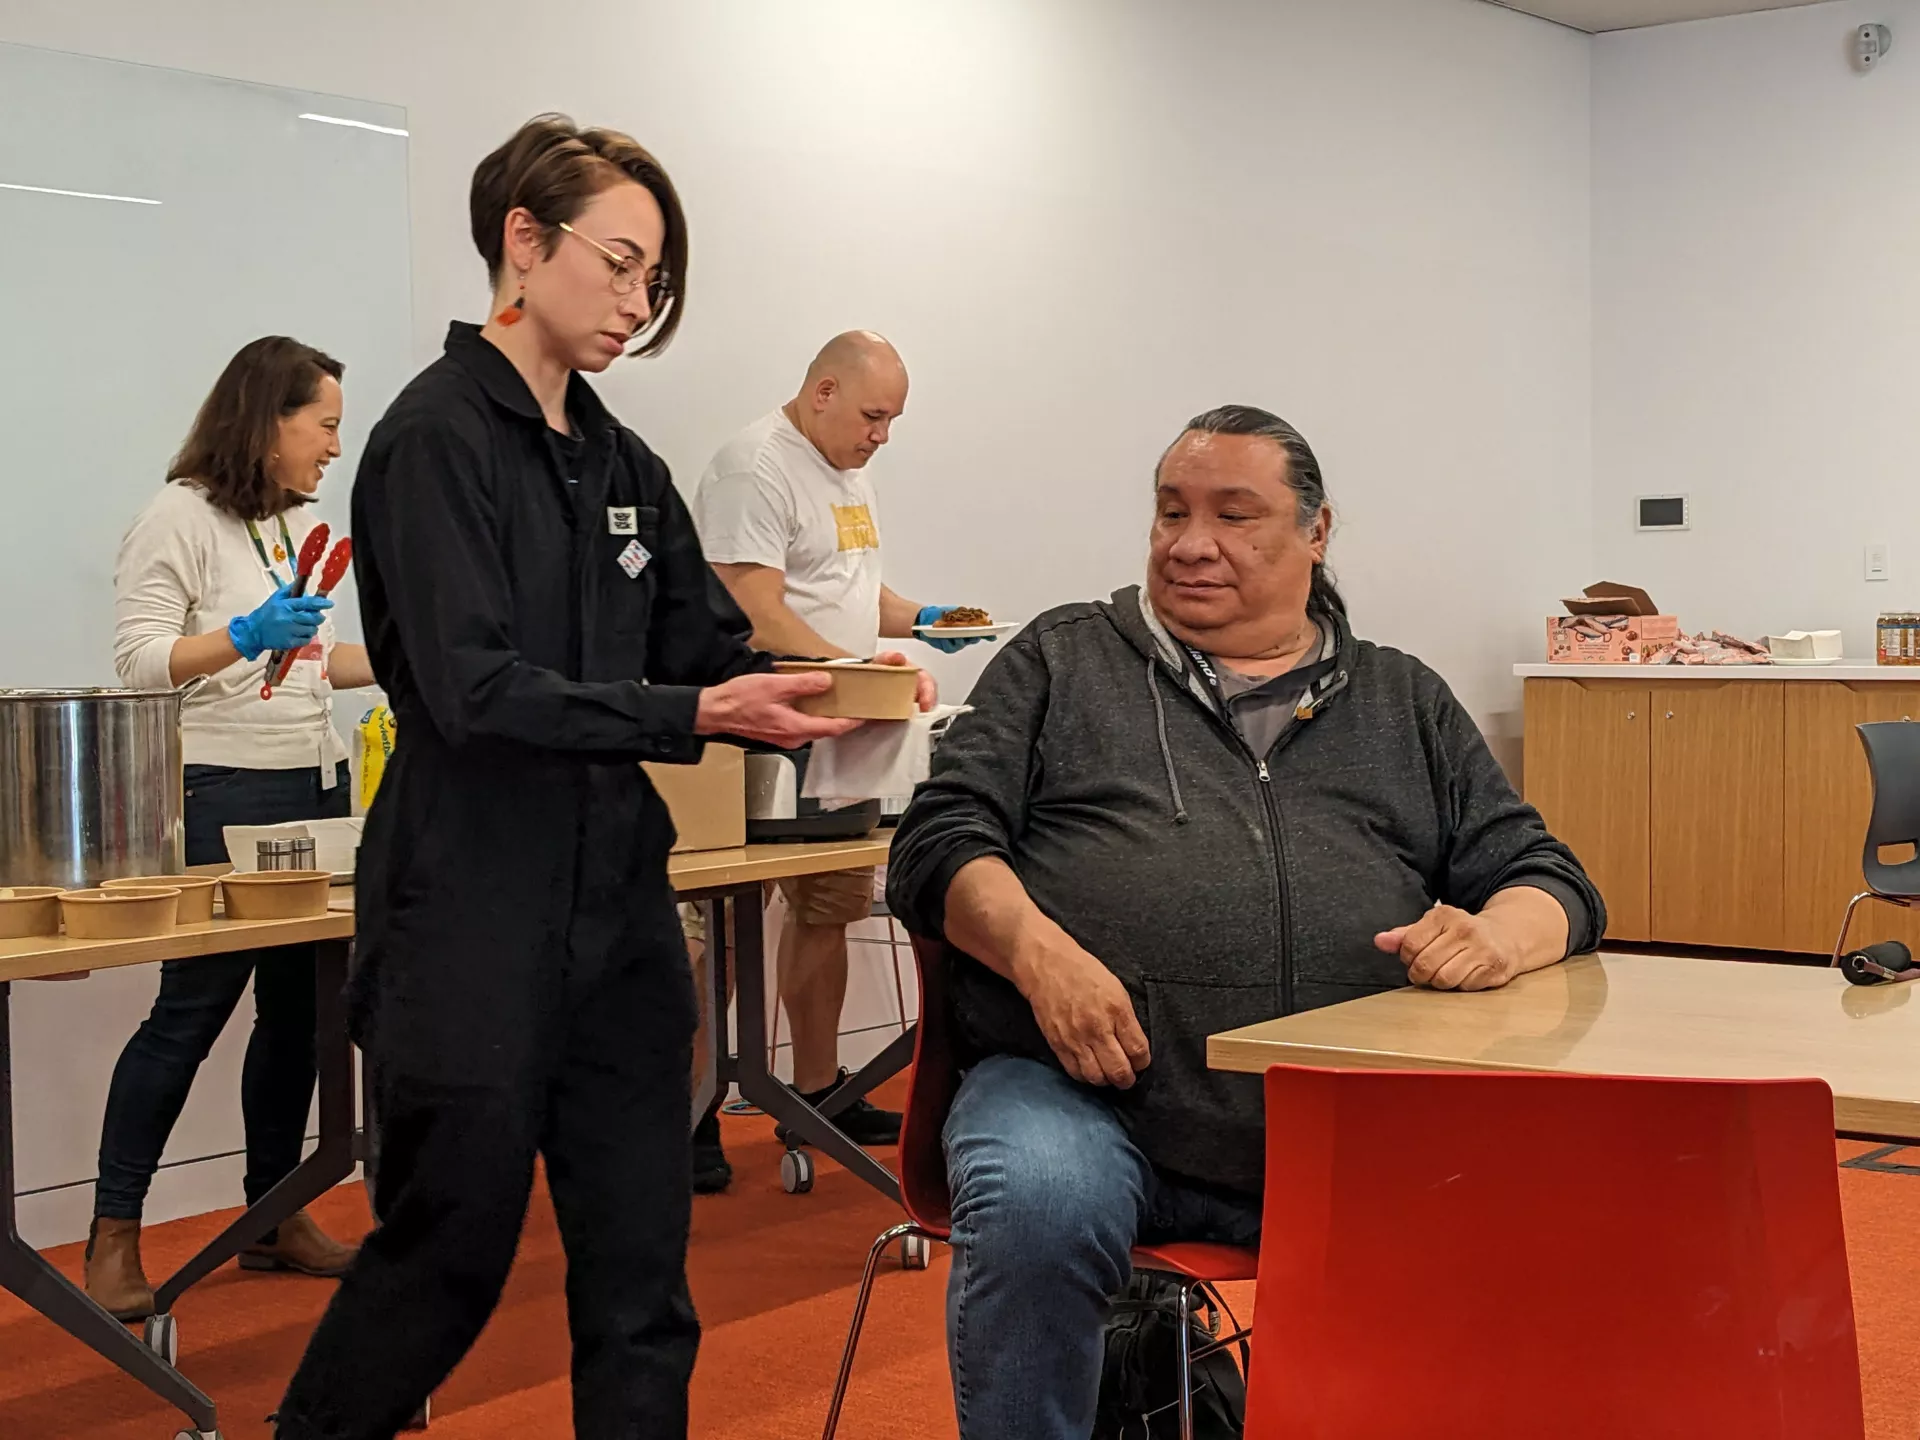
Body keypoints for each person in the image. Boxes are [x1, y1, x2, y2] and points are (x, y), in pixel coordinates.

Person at [271, 116, 928, 1440]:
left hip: (617, 910)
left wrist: (855, 688)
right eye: (620, 267)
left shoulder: (621, 462)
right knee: (443, 1264)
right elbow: (473, 691)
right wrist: (697, 705)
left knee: (642, 1282)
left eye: (655, 281)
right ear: (524, 240)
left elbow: (707, 644)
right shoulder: (429, 440)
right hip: (466, 908)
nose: (637, 305)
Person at [885, 404, 1606, 1440]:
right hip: (1084, 1097)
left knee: (1550, 1212)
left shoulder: (1402, 700)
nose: (1189, 543)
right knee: (1036, 1201)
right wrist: (1039, 955)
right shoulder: (1063, 660)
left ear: (1316, 533)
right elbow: (939, 840)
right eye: (1171, 511)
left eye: (1234, 515)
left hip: (1345, 1118)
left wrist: (1501, 933)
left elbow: (1548, 877)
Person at [90, 336, 377, 1322]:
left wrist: (397, 660)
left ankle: (274, 1210)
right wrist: (242, 638)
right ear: (269, 421)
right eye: (325, 424)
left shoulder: (293, 522)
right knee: (192, 1012)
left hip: (312, 780)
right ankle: (113, 1234)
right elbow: (138, 664)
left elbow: (314, 663)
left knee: (302, 1013)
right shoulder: (179, 517)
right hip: (221, 793)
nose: (335, 446)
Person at [686, 331, 987, 1190]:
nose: (881, 435)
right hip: (761, 727)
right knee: (724, 932)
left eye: (892, 419)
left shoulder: (847, 470)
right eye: (872, 415)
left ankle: (821, 1090)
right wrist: (853, 675)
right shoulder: (755, 467)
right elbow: (751, 607)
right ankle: (693, 1110)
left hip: (843, 726)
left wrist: (924, 614)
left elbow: (849, 586)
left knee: (830, 905)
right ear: (821, 391)